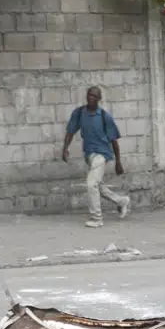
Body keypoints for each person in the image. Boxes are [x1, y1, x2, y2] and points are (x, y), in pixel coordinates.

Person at [62, 86, 130, 228]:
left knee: (91, 183)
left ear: (99, 99)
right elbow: (70, 132)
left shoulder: (105, 117)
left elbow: (114, 141)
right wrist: (65, 148)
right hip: (90, 156)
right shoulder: (79, 113)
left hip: (102, 155)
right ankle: (121, 201)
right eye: (89, 95)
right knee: (98, 185)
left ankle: (97, 218)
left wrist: (118, 162)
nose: (90, 98)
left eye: (94, 96)